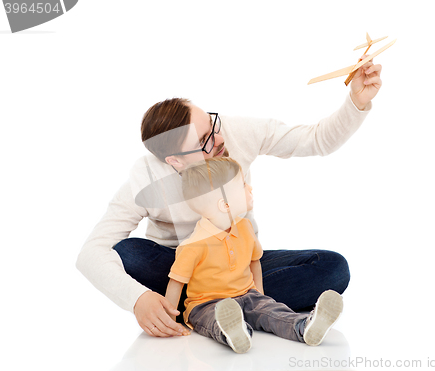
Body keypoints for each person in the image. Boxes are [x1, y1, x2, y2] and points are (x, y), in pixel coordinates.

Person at [76, 57, 382, 338]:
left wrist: (356, 102)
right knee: (128, 253)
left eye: (212, 124)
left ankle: (212, 307)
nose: (219, 139)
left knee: (333, 267)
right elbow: (91, 252)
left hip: (236, 264)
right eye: (204, 141)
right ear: (175, 161)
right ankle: (231, 305)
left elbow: (314, 139)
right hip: (179, 266)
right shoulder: (146, 177)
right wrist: (137, 299)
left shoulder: (233, 132)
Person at [166, 157, 343, 353]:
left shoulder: (244, 227)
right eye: (242, 185)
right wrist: (170, 320)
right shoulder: (193, 245)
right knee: (213, 319)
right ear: (224, 204)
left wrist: (260, 295)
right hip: (205, 304)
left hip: (247, 295)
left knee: (272, 311)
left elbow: (255, 262)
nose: (250, 188)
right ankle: (235, 332)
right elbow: (176, 283)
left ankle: (304, 326)